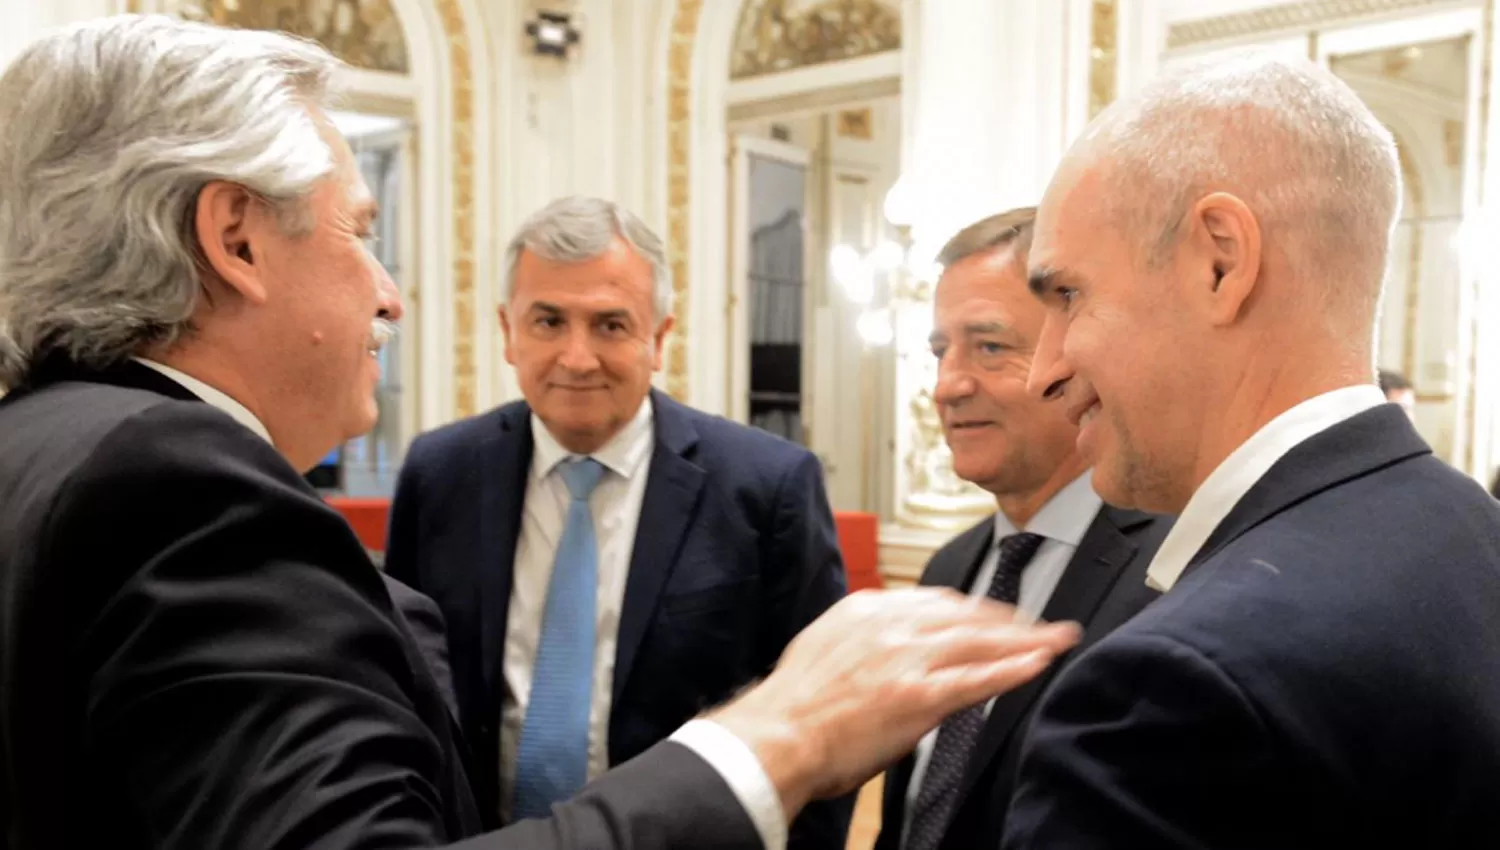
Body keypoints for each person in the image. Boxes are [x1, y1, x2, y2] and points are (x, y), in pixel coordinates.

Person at [0, 15, 1085, 850]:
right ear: (233, 237)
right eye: (359, 235)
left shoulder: (42, 440)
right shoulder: (179, 483)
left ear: (657, 333)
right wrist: (780, 735)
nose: (387, 296)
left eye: (611, 324)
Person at [1003, 53, 1500, 848]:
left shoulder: (1171, 689)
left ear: (1221, 262)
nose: (1044, 371)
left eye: (1069, 295)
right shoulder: (1471, 527)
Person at [383, 196, 852, 846]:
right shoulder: (440, 474)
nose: (578, 358)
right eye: (548, 321)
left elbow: (824, 718)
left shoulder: (766, 488)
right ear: (507, 332)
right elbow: (404, 694)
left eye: (610, 325)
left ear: (658, 338)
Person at [873, 208, 1168, 850]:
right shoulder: (947, 570)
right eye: (939, 351)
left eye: (989, 347)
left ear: (1077, 352)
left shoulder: (1170, 574)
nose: (947, 384)